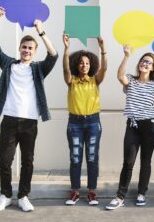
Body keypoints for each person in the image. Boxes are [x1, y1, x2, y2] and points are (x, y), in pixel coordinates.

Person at [0, 7, 58, 212]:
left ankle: (23, 196)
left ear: (34, 51)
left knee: (27, 161)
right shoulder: (9, 64)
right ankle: (5, 195)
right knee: (4, 160)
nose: (27, 50)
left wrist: (41, 32)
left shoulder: (38, 69)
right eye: (24, 47)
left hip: (29, 122)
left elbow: (53, 55)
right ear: (20, 48)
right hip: (9, 119)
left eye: (30, 48)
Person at [106, 45, 154, 210]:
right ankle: (120, 196)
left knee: (146, 162)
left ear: (152, 68)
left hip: (150, 126)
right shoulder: (130, 80)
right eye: (143, 61)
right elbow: (119, 75)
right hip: (133, 125)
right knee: (128, 162)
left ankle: (141, 193)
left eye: (149, 63)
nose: (145, 64)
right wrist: (126, 56)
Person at [62, 34, 107, 206]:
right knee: (75, 158)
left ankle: (92, 192)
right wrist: (66, 48)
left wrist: (103, 49)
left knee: (92, 157)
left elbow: (105, 69)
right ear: (76, 64)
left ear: (91, 65)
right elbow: (65, 70)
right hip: (75, 123)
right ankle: (74, 191)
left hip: (93, 123)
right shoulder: (71, 81)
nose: (84, 65)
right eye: (81, 62)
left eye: (87, 63)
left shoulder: (95, 80)